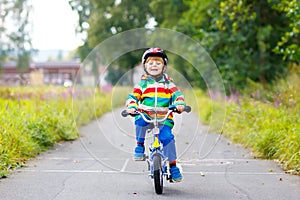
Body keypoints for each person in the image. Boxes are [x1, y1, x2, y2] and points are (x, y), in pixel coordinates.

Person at [125, 47, 186, 182]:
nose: (154, 65)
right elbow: (133, 97)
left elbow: (178, 95)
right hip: (146, 115)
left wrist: (179, 104)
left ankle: (173, 166)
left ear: (164, 67)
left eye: (158, 63)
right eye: (151, 63)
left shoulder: (169, 84)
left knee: (167, 138)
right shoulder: (143, 84)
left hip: (164, 118)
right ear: (145, 66)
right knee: (139, 122)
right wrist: (132, 106)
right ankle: (139, 145)